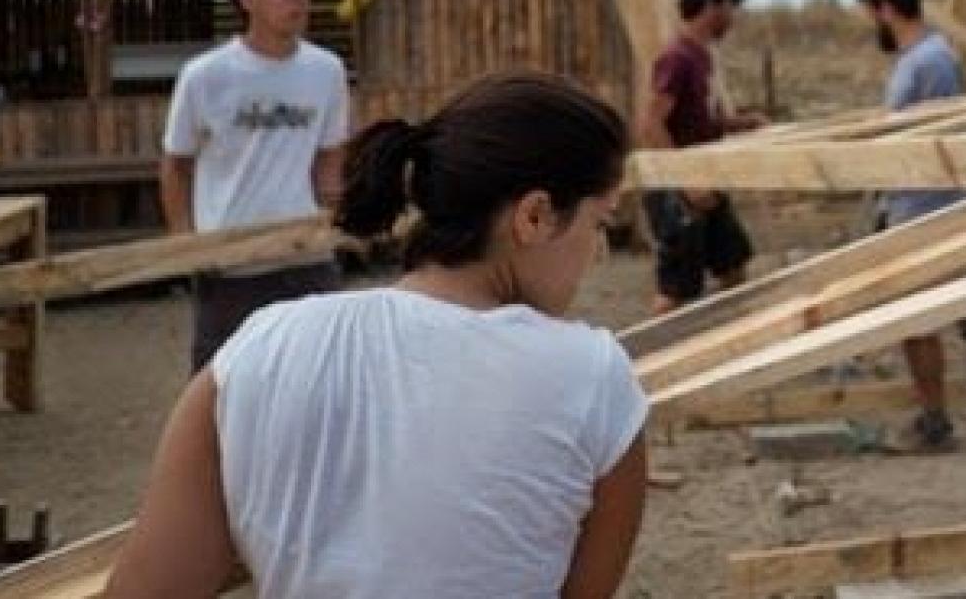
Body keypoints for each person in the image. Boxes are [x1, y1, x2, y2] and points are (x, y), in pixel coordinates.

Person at [106, 72, 648, 599]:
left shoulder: (259, 348)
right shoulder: (592, 376)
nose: (596, 254)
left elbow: (148, 589)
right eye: (598, 223)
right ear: (534, 217)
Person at [159, 0, 349, 371]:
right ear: (248, 0)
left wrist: (333, 218)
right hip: (231, 259)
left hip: (306, 254)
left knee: (321, 374)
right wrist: (183, 241)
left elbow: (329, 155)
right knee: (220, 383)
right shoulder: (207, 75)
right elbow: (176, 163)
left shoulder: (326, 70)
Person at [856, 0, 966, 451]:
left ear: (887, 8)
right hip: (910, 199)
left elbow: (937, 139)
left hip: (924, 204)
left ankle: (935, 420)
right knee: (921, 311)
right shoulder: (917, 59)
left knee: (913, 319)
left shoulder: (931, 62)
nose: (872, 26)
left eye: (871, 14)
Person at [635, 0, 766, 314]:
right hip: (676, 185)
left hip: (704, 177)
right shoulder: (677, 58)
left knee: (733, 265)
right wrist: (684, 180)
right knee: (676, 289)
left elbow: (699, 122)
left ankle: (728, 345)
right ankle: (656, 358)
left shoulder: (701, 56)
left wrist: (741, 123)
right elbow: (651, 123)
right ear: (710, 7)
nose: (732, 17)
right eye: (729, 7)